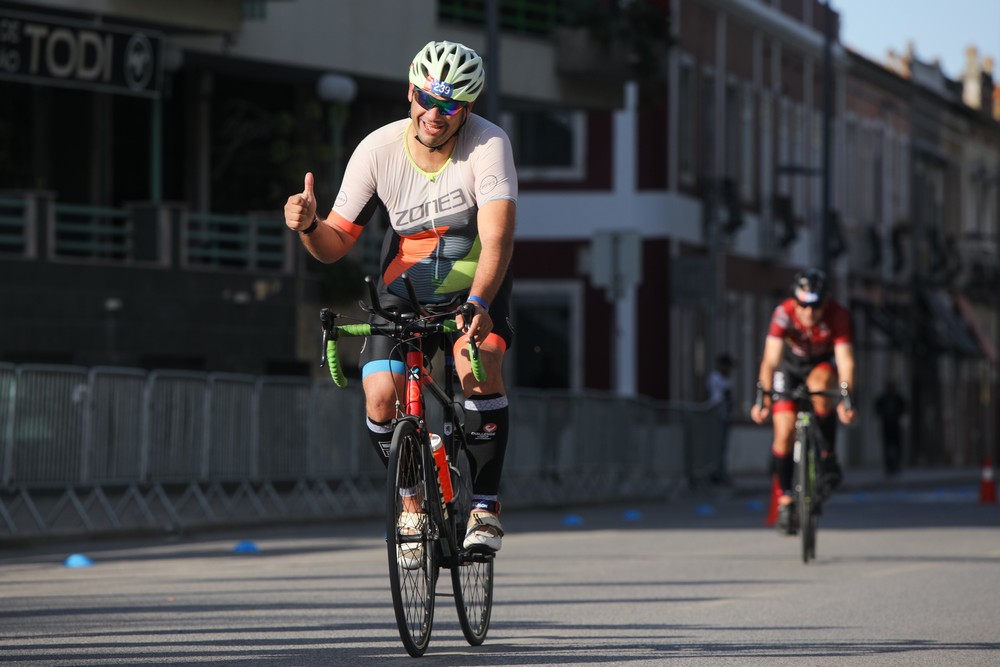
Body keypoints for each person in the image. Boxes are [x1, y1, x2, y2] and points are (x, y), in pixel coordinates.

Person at [284, 40, 517, 556]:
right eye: (425, 99)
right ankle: (412, 506)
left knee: (477, 364)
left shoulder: (488, 144)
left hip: (475, 285)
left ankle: (483, 507)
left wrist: (480, 303)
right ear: (410, 93)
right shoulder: (378, 149)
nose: (434, 114)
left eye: (449, 105)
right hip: (403, 290)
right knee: (380, 397)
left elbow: (498, 238)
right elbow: (335, 245)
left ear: (468, 109)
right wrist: (309, 226)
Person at [749, 268, 856, 534]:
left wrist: (846, 398)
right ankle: (786, 498)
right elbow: (770, 360)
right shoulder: (783, 313)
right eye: (803, 305)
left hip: (821, 365)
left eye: (816, 306)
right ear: (794, 301)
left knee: (821, 387)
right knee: (784, 432)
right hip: (790, 368)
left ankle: (828, 455)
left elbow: (846, 361)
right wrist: (762, 398)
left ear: (826, 303)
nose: (809, 313)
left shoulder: (838, 315)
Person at [706, 353, 735, 485]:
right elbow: (716, 398)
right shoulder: (716, 378)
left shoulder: (727, 379)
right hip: (716, 415)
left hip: (724, 416)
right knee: (715, 445)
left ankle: (719, 472)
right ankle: (714, 473)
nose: (729, 370)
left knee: (722, 446)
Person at [874, 380, 907, 476]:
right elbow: (877, 408)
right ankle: (890, 466)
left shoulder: (895, 398)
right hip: (888, 424)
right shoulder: (886, 398)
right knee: (889, 446)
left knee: (894, 445)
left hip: (893, 424)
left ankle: (895, 465)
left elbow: (903, 407)